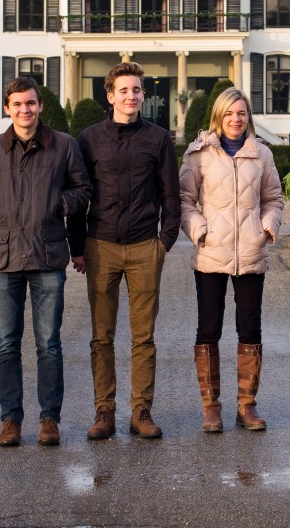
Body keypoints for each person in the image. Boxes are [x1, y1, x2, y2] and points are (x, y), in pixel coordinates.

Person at [0, 76, 91, 448]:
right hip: (4, 258)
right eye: (18, 104)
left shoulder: (63, 146)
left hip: (48, 256)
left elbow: (83, 190)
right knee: (7, 344)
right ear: (7, 108)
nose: (25, 110)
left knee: (49, 344)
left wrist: (57, 205)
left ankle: (49, 419)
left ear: (40, 106)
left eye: (31, 103)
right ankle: (10, 420)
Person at [69, 62, 181, 440]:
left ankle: (140, 410)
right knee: (102, 336)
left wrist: (164, 242)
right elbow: (79, 194)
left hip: (144, 247)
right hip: (100, 246)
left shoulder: (158, 139)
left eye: (136, 90)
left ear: (143, 95)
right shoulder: (88, 139)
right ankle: (104, 411)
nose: (130, 96)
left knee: (143, 337)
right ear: (110, 95)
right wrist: (77, 246)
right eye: (124, 90)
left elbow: (171, 194)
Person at [179, 88, 284, 433]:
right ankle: (211, 407)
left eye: (241, 113)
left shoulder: (262, 155)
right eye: (229, 114)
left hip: (251, 252)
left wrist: (266, 228)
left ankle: (246, 405)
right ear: (218, 116)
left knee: (249, 327)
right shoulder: (199, 154)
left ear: (248, 117)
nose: (236, 119)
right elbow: (185, 199)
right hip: (211, 252)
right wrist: (199, 230)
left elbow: (274, 198)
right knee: (208, 328)